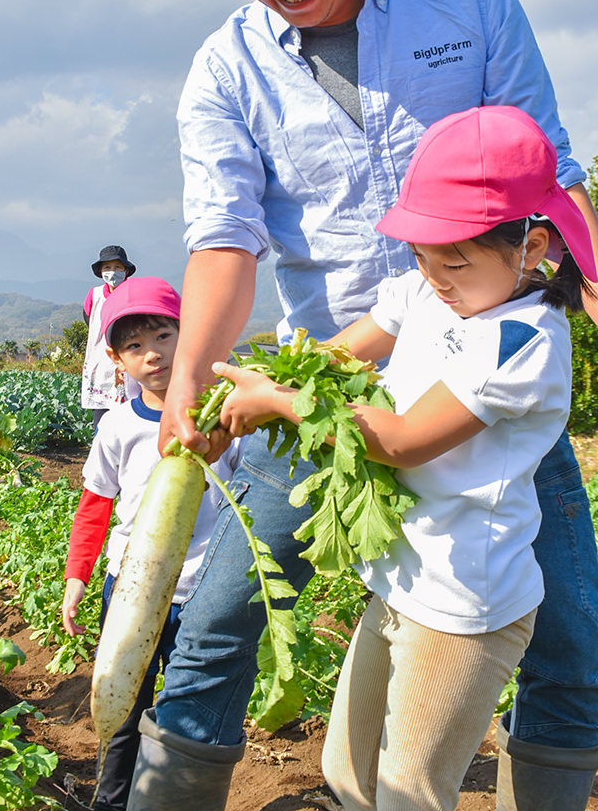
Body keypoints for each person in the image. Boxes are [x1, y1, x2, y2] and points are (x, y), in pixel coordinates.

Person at [129, 0, 598, 809]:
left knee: (567, 638)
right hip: (324, 371)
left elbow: (555, 184)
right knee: (217, 621)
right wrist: (203, 382)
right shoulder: (225, 71)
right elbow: (224, 239)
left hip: (478, 398)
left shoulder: (470, 6)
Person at [211, 105, 597, 811]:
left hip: (462, 603)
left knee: (408, 792)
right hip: (401, 576)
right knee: (349, 771)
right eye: (421, 254)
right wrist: (260, 380)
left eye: (455, 259)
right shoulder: (427, 287)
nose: (435, 276)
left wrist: (279, 402)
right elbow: (337, 354)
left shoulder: (523, 343)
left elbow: (400, 437)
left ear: (531, 246)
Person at [62, 275, 244, 811]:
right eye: (134, 346)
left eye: (164, 337)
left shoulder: (226, 419)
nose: (153, 355)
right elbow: (94, 506)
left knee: (183, 705)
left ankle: (167, 798)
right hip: (129, 585)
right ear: (117, 362)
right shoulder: (117, 426)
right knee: (121, 700)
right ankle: (111, 800)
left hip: (204, 588)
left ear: (188, 338)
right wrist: (78, 578)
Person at [81, 244, 138, 430]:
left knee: (127, 417)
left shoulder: (133, 293)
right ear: (100, 271)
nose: (112, 272)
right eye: (107, 267)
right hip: (101, 363)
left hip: (127, 363)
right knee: (101, 419)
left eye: (117, 267)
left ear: (126, 270)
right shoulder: (94, 295)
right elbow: (90, 321)